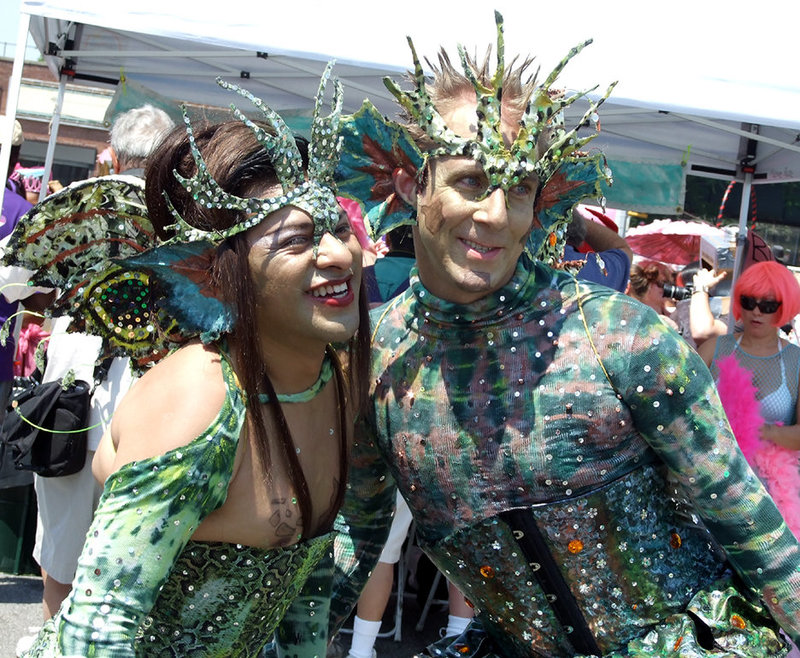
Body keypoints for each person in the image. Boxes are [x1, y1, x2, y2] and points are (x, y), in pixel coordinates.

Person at [330, 12, 800, 656]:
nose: (494, 213)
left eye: (517, 187)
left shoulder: (616, 335)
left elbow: (750, 525)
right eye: (470, 179)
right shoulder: (375, 357)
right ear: (412, 183)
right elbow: (356, 538)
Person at [15, 67, 373, 656]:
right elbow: (94, 635)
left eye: (337, 228)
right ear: (218, 276)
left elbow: (307, 593)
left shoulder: (327, 382)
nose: (338, 254)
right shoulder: (201, 397)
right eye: (296, 241)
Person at [16, 106, 176, 643]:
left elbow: (12, 278)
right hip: (148, 399)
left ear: (114, 151)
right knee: (124, 546)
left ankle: (51, 643)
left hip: (72, 393)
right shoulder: (181, 221)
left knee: (62, 538)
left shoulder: (74, 206)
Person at [698, 261, 800, 537]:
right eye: (749, 301)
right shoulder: (715, 349)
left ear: (784, 307)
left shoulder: (796, 361)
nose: (756, 310)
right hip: (708, 485)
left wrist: (760, 429)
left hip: (768, 496)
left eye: (768, 305)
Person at [562, 205, 632, 292]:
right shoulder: (597, 281)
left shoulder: (593, 274)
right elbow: (623, 252)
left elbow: (623, 250)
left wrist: (569, 217)